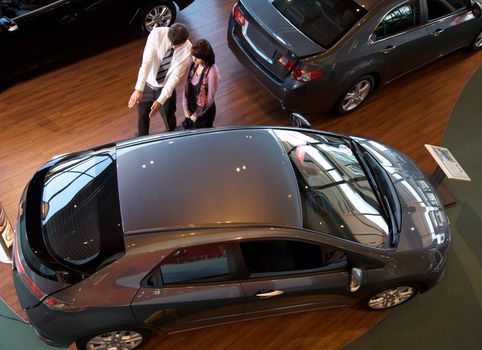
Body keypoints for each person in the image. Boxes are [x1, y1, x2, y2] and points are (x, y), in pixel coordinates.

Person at [128, 23, 192, 135]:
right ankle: (142, 139)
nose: (173, 46)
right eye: (171, 42)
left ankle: (171, 137)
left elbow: (174, 78)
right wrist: (139, 89)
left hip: (165, 88)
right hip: (147, 85)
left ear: (184, 41)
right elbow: (147, 62)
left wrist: (160, 100)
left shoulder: (187, 51)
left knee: (169, 117)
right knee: (142, 117)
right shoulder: (156, 34)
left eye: (176, 46)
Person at [182, 39, 220, 129]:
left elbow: (210, 98)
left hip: (203, 113)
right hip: (191, 108)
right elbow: (186, 86)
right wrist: (185, 107)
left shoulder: (212, 71)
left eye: (197, 57)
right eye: (193, 55)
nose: (194, 59)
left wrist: (196, 115)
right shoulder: (194, 65)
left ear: (205, 56)